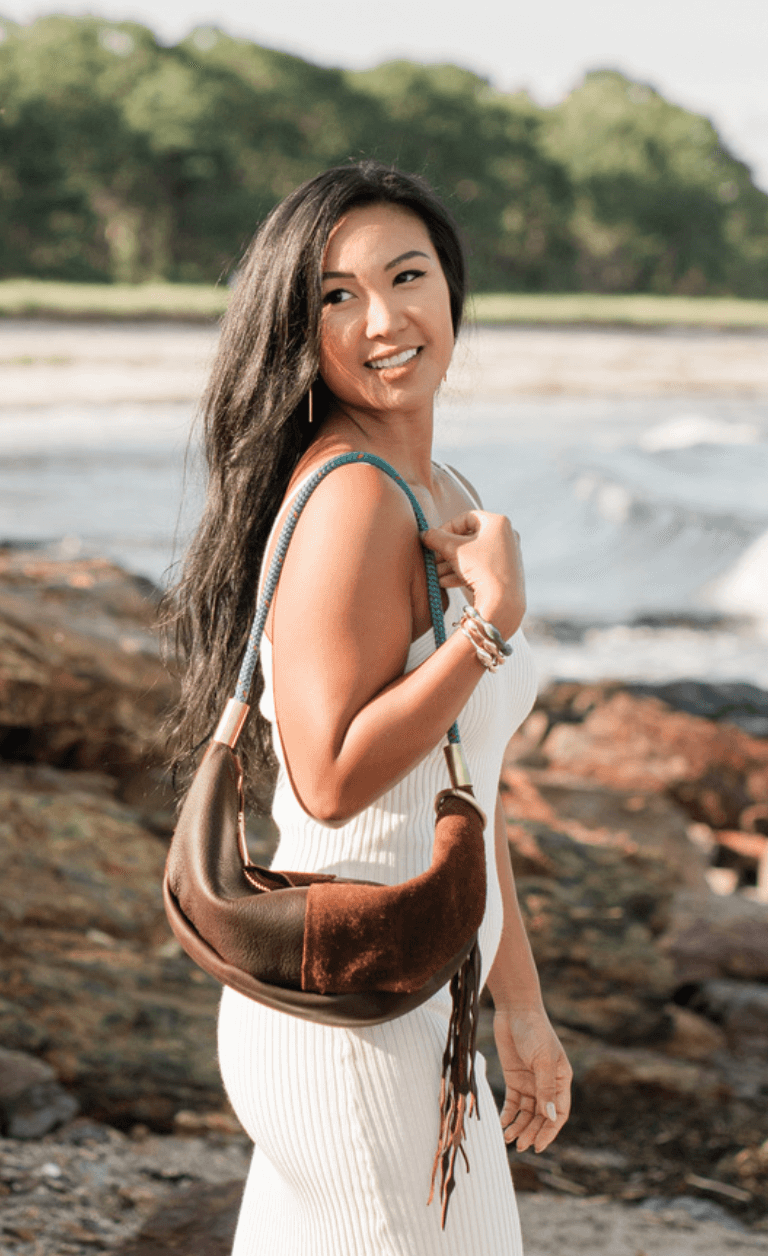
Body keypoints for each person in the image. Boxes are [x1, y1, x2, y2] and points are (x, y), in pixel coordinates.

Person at [163, 161, 573, 1253]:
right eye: (336, 295)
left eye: (408, 276)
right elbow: (331, 778)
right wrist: (489, 627)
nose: (383, 319)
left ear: (453, 291)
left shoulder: (445, 495)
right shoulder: (350, 496)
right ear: (298, 326)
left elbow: (463, 796)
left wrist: (517, 1003)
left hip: (417, 1002)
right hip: (350, 1019)